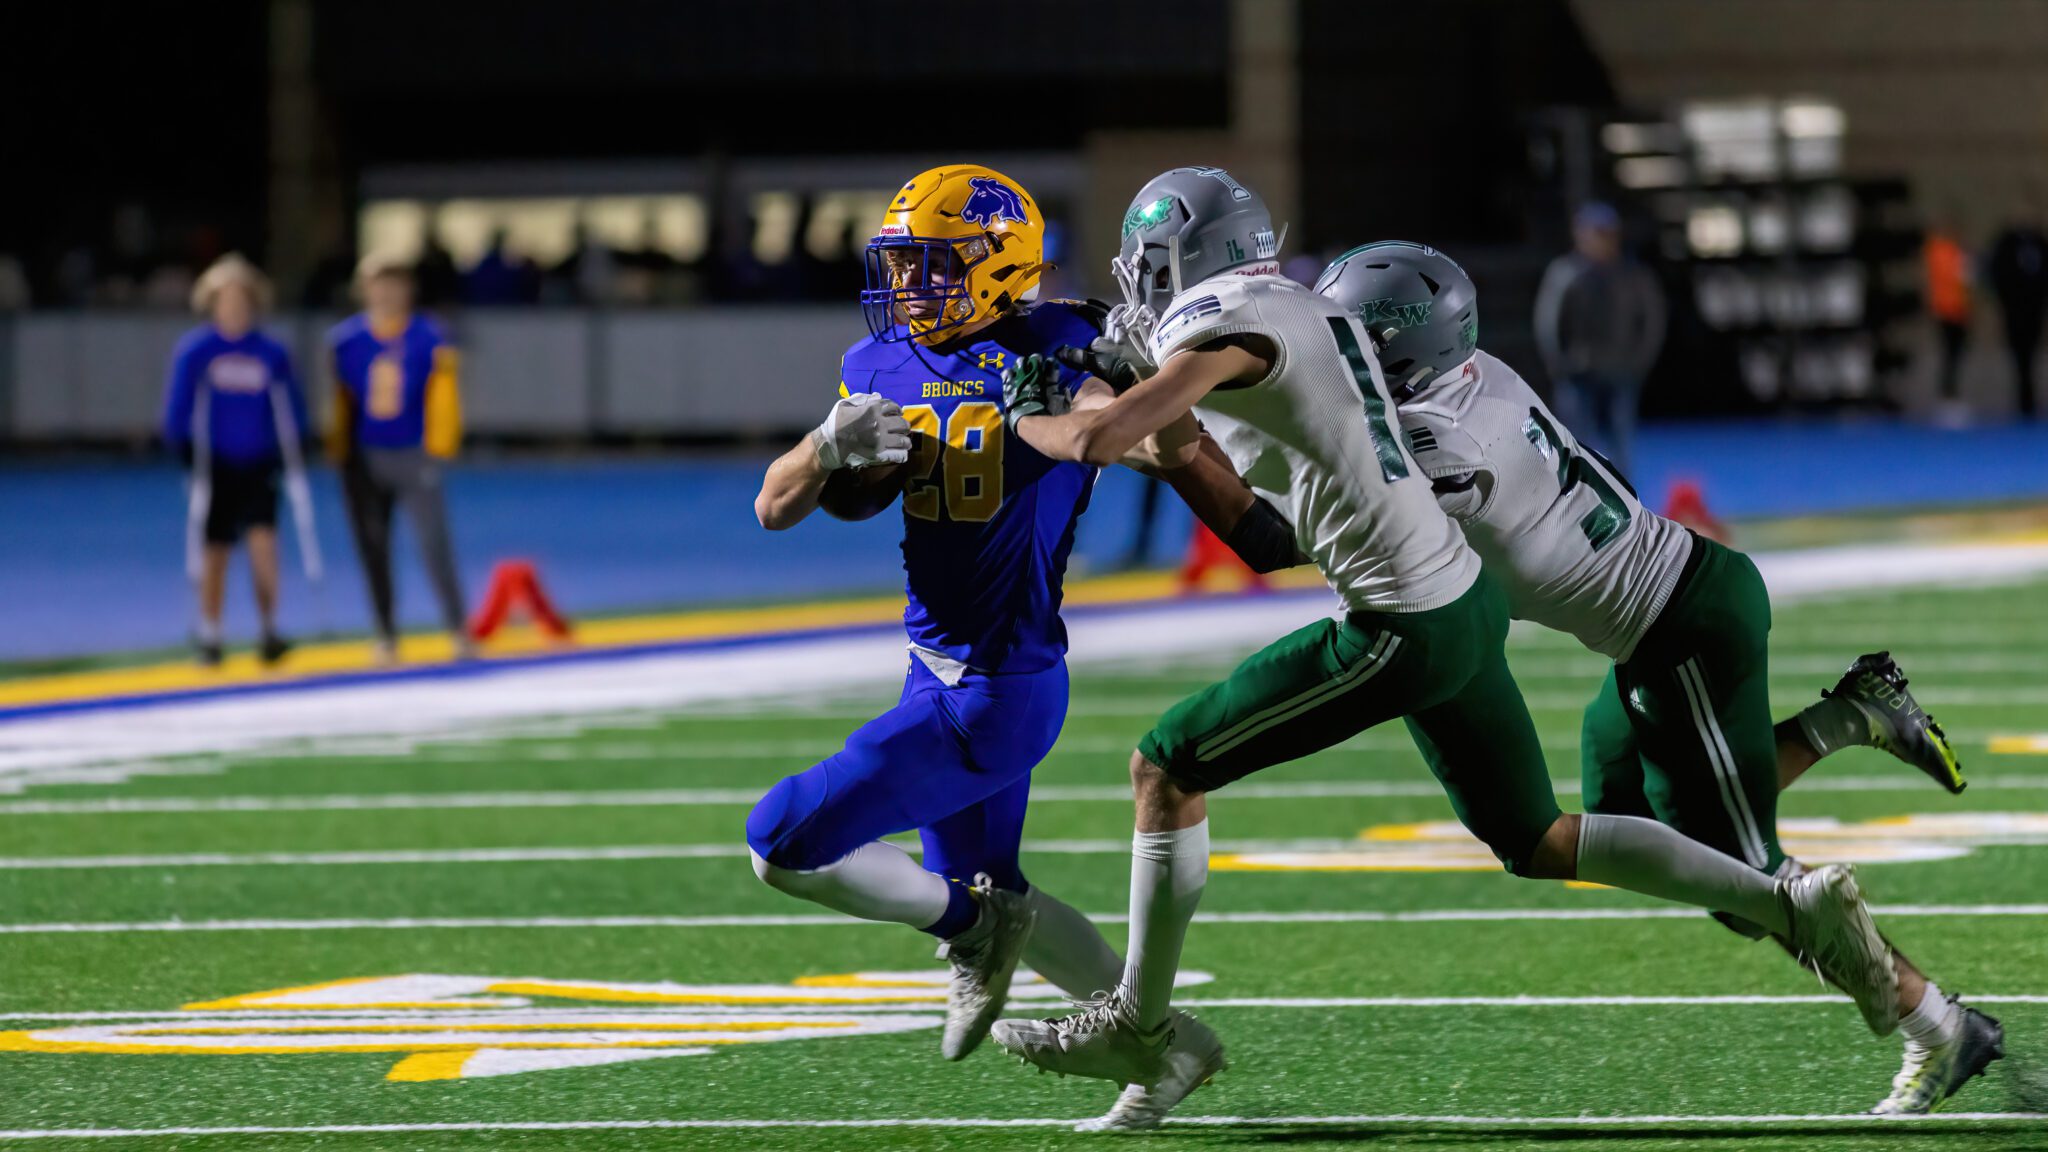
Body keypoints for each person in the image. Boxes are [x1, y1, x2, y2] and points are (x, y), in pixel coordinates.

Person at [988, 166, 1894, 1109]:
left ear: (1183, 259)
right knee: (1537, 837)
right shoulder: (1287, 309)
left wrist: (1041, 418)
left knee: (1165, 767)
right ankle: (1785, 900)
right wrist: (1106, 391)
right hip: (1461, 603)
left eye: (1149, 262)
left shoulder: (1231, 327)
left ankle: (1145, 1028)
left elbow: (1113, 443)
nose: (1138, 281)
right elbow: (1178, 451)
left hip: (1402, 622)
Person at [1316, 241, 1999, 1116]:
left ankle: (1941, 1027)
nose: (1335, 357)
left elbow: (1311, 525)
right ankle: (1854, 714)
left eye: (1352, 340)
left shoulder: (1431, 442)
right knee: (1640, 835)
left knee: (1739, 887)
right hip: (1658, 621)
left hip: (1683, 631)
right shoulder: (1473, 374)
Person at [745, 164, 1166, 1068]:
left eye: (935, 265)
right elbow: (773, 507)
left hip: (998, 684)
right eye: (902, 265)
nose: (909, 286)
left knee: (780, 842)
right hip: (932, 660)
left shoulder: (1057, 340)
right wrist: (824, 448)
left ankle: (973, 931)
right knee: (990, 878)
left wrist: (1110, 390)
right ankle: (1164, 1047)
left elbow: (1134, 439)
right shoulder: (877, 360)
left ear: (1001, 264)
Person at [161, 254, 309, 667]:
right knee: (215, 552)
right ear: (212, 304)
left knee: (264, 545)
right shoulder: (197, 351)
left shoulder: (271, 352)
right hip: (216, 464)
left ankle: (269, 628)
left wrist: (292, 445)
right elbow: (178, 407)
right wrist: (184, 448)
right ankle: (211, 632)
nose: (234, 310)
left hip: (260, 461)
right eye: (226, 301)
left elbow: (291, 406)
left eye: (242, 301)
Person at [327, 254, 472, 663]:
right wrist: (338, 448)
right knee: (373, 546)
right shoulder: (346, 341)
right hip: (365, 457)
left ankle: (457, 628)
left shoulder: (428, 335)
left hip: (413, 452)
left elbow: (443, 393)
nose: (387, 293)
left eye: (395, 283)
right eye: (379, 284)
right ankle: (386, 633)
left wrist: (442, 443)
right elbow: (340, 401)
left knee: (433, 542)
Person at [1532, 201, 1665, 475]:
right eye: (1591, 232)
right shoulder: (1566, 272)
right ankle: (1576, 508)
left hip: (1621, 373)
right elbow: (1548, 322)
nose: (1596, 239)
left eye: (1603, 232)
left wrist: (1638, 362)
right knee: (1575, 446)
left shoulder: (1633, 274)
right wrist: (1560, 363)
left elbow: (1651, 321)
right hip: (1578, 374)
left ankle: (1625, 509)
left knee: (1622, 447)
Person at [1987, 194, 2047, 419]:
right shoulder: (2006, 242)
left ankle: (2029, 401)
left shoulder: (2040, 242)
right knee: (2018, 355)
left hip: (2035, 310)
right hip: (2013, 309)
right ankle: (2022, 401)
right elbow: (1996, 274)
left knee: (2032, 354)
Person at [1922, 216, 1974, 418]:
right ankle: (1946, 398)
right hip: (1944, 310)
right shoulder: (1937, 250)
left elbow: (1966, 281)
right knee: (1948, 355)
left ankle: (1952, 395)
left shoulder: (1958, 252)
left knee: (1956, 356)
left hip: (1960, 310)